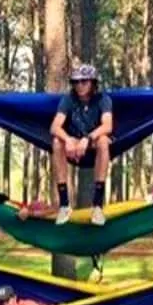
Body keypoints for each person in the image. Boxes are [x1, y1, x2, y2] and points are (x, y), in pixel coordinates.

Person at [49, 64, 113, 227]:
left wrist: (87, 138)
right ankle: (64, 204)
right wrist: (68, 140)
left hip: (93, 142)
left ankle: (97, 205)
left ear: (93, 83)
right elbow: (55, 126)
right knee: (57, 142)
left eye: (84, 82)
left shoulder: (103, 99)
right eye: (76, 82)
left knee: (104, 140)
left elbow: (107, 125)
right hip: (73, 143)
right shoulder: (68, 99)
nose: (79, 86)